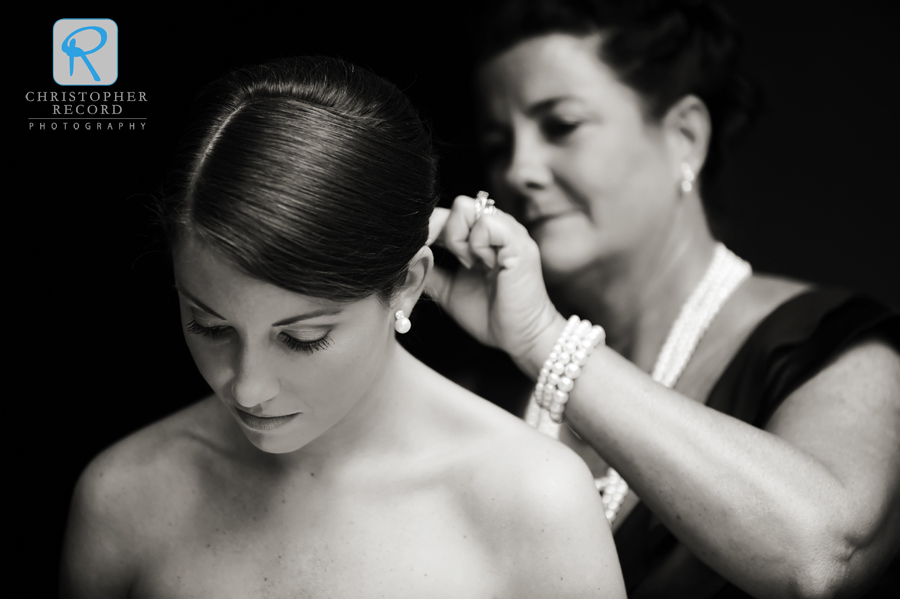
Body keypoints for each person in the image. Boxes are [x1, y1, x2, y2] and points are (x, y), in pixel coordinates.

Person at [59, 56, 626, 598]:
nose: (248, 387)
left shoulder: (536, 500)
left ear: (407, 284)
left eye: (302, 338)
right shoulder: (124, 495)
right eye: (210, 327)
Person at [425, 1, 900, 597]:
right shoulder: (479, 390)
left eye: (561, 125)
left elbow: (820, 556)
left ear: (685, 136)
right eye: (499, 144)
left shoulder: (834, 345)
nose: (519, 169)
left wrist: (544, 341)